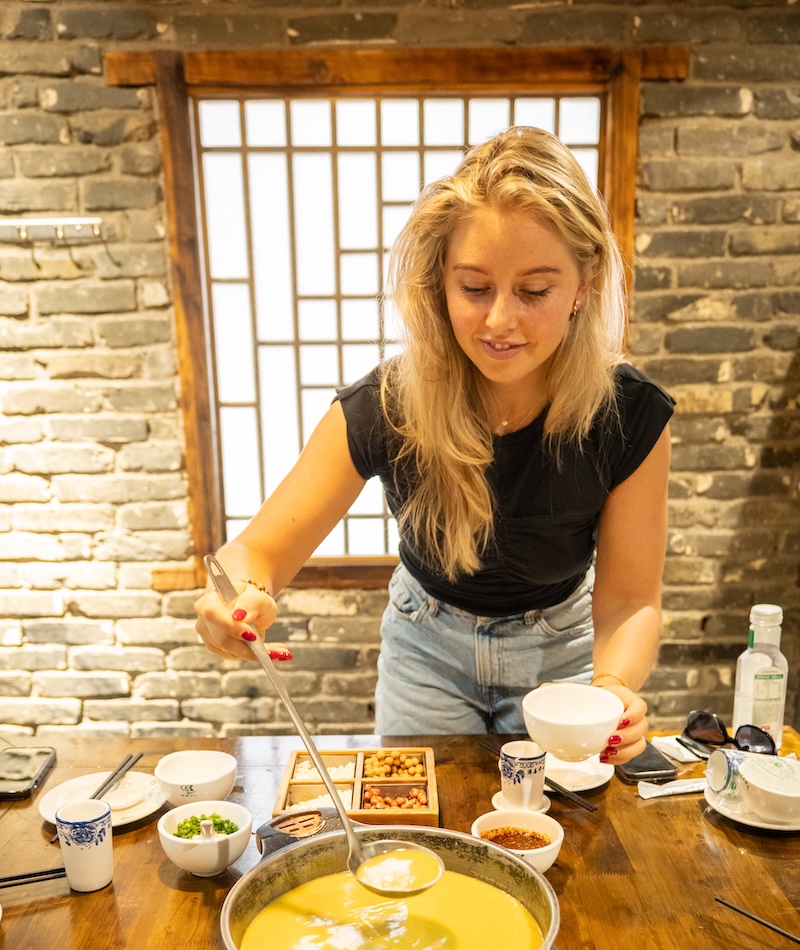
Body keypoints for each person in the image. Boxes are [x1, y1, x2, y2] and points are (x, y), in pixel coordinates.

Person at [194, 126, 673, 765]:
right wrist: (233, 598)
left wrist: (612, 689)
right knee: (420, 815)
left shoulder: (628, 414)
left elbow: (630, 600)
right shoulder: (387, 404)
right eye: (474, 288)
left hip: (562, 654)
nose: (500, 321)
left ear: (583, 285)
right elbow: (256, 552)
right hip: (426, 651)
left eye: (535, 291)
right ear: (439, 283)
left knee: (563, 818)